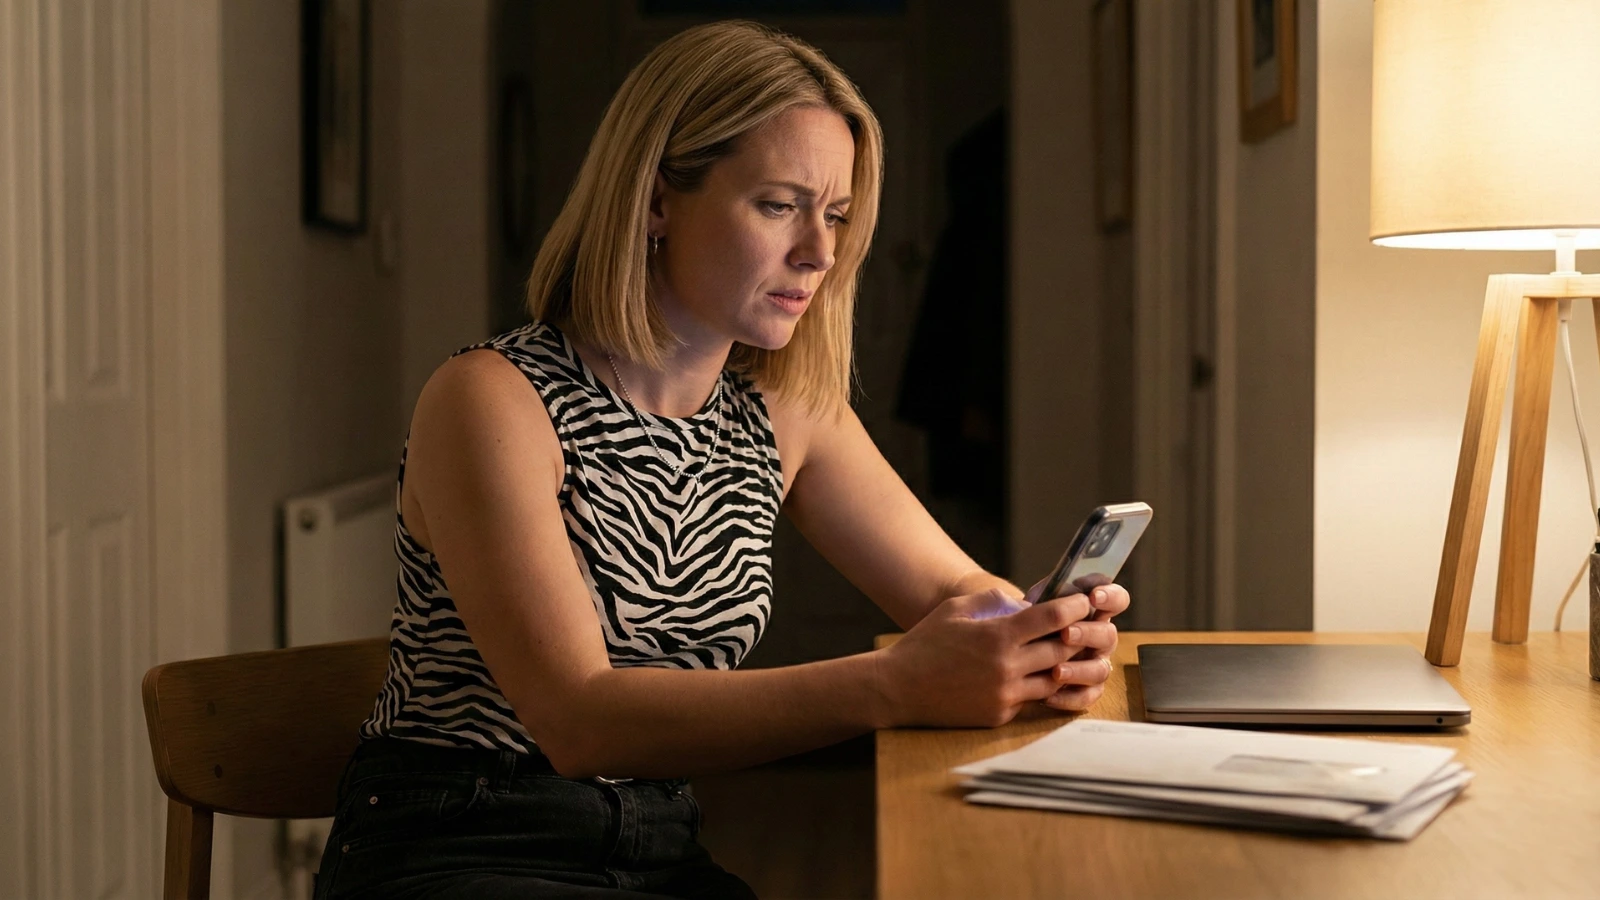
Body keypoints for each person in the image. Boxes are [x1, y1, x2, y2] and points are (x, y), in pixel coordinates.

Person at [314, 20, 1130, 900]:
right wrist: (894, 685)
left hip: (657, 847)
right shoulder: (491, 399)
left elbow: (949, 593)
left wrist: (1028, 633)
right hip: (463, 842)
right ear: (657, 201)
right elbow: (580, 720)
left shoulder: (781, 411)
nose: (819, 252)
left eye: (839, 215)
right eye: (780, 206)